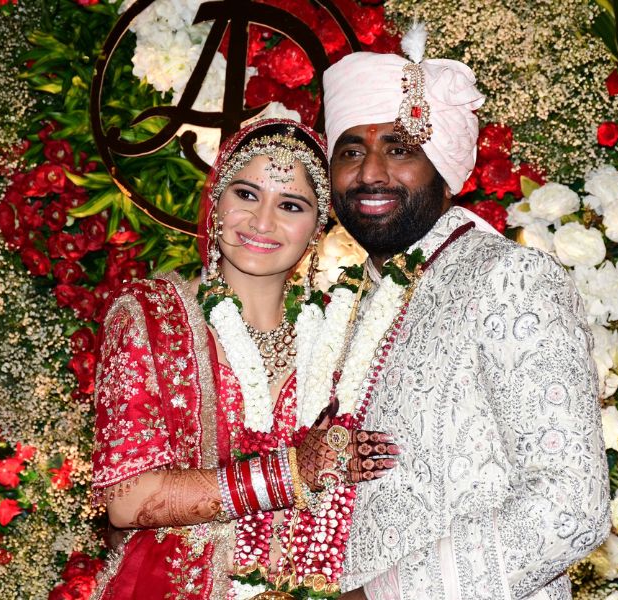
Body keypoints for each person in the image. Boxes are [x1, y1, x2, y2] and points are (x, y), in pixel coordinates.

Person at [320, 28, 611, 600]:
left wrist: (378, 597)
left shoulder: (509, 278)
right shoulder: (347, 308)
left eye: (399, 149)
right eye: (351, 151)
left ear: (443, 168)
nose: (371, 173)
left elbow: (570, 506)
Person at [90, 118, 399, 599]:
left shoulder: (340, 336)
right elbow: (127, 501)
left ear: (318, 227)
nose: (262, 222)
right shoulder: (151, 315)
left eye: (290, 205)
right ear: (217, 200)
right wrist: (291, 472)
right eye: (247, 194)